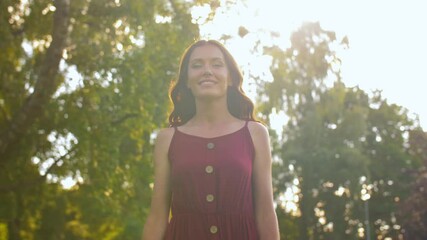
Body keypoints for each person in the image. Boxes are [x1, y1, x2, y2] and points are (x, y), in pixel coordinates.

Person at [142, 40, 280, 240]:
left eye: (216, 64)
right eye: (197, 65)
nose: (207, 71)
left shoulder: (256, 134)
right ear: (187, 81)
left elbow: (266, 213)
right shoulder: (167, 139)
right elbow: (157, 217)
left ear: (230, 78)